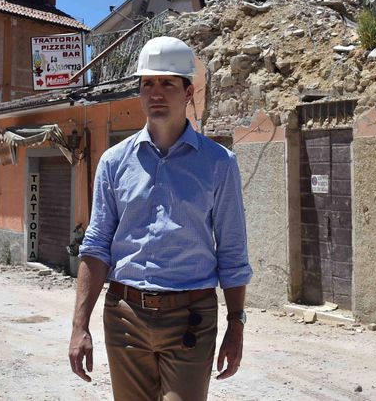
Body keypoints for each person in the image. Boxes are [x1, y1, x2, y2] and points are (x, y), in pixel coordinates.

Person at [68, 36, 252, 401]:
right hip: (124, 318)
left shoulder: (219, 164)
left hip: (191, 319)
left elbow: (232, 249)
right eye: (147, 84)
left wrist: (236, 323)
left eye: (167, 82)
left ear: (188, 92)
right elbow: (97, 246)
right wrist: (79, 325)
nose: (155, 93)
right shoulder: (114, 162)